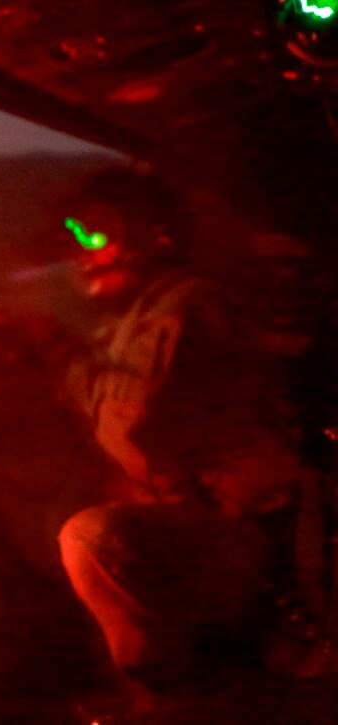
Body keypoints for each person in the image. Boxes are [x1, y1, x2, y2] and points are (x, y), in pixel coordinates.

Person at [53, 167, 301, 699]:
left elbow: (138, 431)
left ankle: (166, 703)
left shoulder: (188, 307)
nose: (81, 251)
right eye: (73, 236)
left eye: (96, 234)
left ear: (154, 234)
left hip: (244, 538)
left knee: (91, 538)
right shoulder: (132, 321)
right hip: (198, 517)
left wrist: (60, 359)